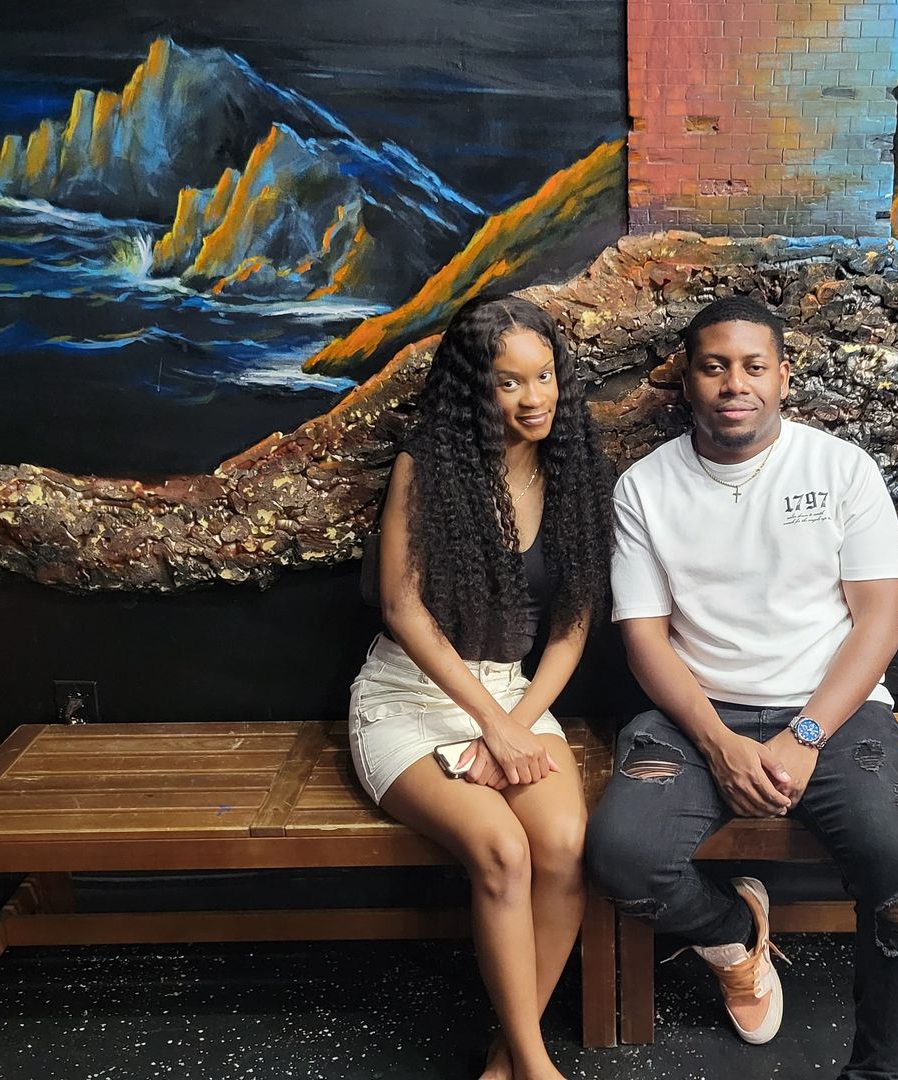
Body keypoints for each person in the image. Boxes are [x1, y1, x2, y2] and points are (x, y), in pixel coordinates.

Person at [585, 295, 898, 1080]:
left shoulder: (841, 469)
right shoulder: (644, 488)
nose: (734, 384)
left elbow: (879, 623)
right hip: (696, 713)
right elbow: (644, 638)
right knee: (619, 859)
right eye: (714, 367)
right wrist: (718, 744)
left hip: (835, 713)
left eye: (753, 366)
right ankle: (734, 936)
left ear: (783, 376)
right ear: (687, 379)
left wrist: (805, 735)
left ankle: (881, 1072)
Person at [351, 294, 615, 1080]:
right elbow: (401, 607)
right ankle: (535, 1066)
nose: (534, 398)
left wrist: (514, 726)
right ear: (475, 389)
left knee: (565, 846)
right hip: (410, 694)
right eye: (509, 382)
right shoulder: (427, 468)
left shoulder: (578, 470)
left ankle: (505, 1062)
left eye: (544, 376)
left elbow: (573, 626)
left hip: (516, 696)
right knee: (502, 849)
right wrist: (491, 726)